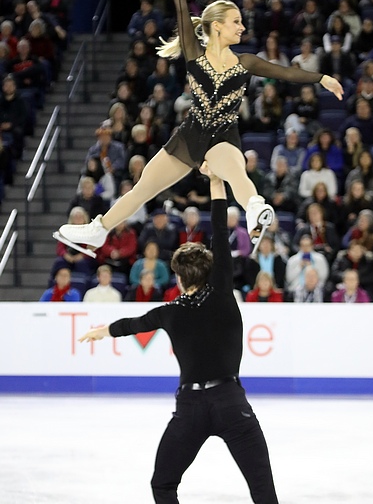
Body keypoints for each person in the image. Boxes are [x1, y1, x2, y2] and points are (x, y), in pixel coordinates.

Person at [57, 0, 343, 254]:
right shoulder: (195, 53)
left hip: (223, 136)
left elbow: (287, 72)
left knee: (236, 172)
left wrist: (322, 77)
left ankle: (255, 207)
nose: (241, 27)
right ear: (217, 26)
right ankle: (99, 230)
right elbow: (181, 8)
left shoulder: (245, 61)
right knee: (142, 189)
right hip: (190, 136)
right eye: (235, 22)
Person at [79, 164, 280, 503]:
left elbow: (134, 324)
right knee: (263, 492)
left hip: (190, 408)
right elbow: (218, 228)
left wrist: (102, 331)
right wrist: (216, 183)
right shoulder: (222, 293)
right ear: (211, 269)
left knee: (163, 484)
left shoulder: (170, 312)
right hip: (231, 402)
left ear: (179, 279)